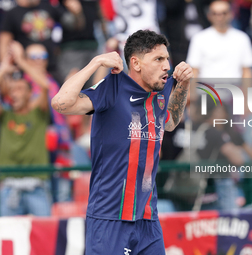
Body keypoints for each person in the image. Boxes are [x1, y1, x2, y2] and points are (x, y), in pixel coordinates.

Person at [51, 30, 192, 254]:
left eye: (167, 59)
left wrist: (183, 84)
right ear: (135, 63)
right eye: (158, 59)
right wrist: (96, 62)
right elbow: (60, 103)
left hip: (148, 220)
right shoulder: (113, 87)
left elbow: (171, 122)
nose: (167, 66)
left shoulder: (161, 91)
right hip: (110, 218)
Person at [0, 44, 51, 216]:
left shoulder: (38, 113)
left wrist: (21, 62)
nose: (14, 94)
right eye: (12, 90)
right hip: (8, 186)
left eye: (20, 89)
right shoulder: (5, 115)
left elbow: (45, 85)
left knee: (45, 236)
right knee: (5, 236)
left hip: (36, 186)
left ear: (30, 94)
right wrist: (3, 68)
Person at [186, 0, 252, 79]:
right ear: (209, 16)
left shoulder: (242, 38)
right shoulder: (198, 39)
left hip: (235, 88)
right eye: (215, 13)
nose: (220, 17)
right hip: (207, 89)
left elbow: (247, 71)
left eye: (224, 13)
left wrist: (247, 91)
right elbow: (194, 71)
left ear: (231, 14)